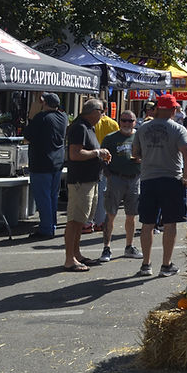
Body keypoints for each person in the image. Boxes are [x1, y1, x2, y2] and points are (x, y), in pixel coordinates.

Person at [132, 93, 187, 277]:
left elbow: (135, 153)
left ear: (158, 108)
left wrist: (149, 157)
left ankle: (146, 264)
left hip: (148, 179)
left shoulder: (143, 128)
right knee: (170, 223)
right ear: (174, 109)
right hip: (171, 179)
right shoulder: (178, 129)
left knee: (147, 223)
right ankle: (166, 264)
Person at [63, 99, 111, 272]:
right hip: (80, 181)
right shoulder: (80, 127)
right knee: (75, 220)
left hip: (89, 180)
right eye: (102, 111)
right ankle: (70, 259)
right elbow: (75, 154)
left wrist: (100, 155)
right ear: (94, 111)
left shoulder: (87, 127)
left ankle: (76, 254)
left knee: (81, 220)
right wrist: (98, 152)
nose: (103, 114)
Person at [98, 109, 143, 263]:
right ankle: (106, 247)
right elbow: (102, 159)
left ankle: (129, 246)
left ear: (135, 122)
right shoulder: (110, 138)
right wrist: (108, 174)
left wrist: (141, 161)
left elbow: (147, 155)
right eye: (124, 120)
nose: (127, 124)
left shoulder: (139, 136)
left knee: (131, 215)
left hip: (134, 179)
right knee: (110, 214)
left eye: (130, 121)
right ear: (119, 121)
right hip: (116, 178)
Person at [23, 92, 67, 240]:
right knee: (52, 196)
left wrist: (33, 113)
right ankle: (51, 224)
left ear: (44, 103)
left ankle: (46, 228)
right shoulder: (63, 117)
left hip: (41, 163)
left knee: (43, 197)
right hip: (57, 163)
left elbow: (27, 137)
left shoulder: (40, 118)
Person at [88, 108, 120, 234]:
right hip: (106, 160)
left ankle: (87, 222)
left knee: (90, 192)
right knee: (102, 193)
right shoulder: (112, 123)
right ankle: (100, 222)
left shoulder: (91, 123)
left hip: (90, 158)